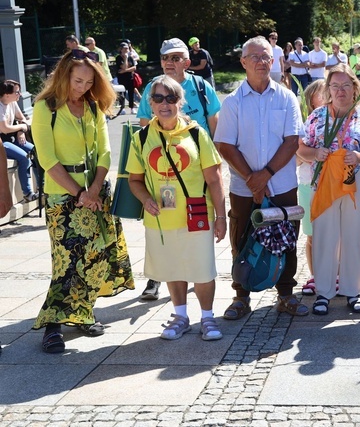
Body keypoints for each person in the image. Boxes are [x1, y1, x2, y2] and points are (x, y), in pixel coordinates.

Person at [31, 49, 135, 353]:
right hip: (63, 195)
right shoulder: (45, 107)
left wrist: (94, 190)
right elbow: (48, 160)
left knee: (96, 256)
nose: (83, 87)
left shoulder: (92, 108)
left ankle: (82, 313)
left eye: (89, 82)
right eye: (78, 80)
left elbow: (105, 152)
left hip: (97, 192)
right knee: (66, 261)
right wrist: (79, 194)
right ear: (64, 75)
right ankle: (52, 326)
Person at [214, 36, 309, 319]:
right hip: (243, 189)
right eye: (254, 57)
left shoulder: (287, 97)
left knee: (287, 238)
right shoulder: (232, 102)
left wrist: (264, 176)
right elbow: (225, 145)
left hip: (282, 185)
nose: (260, 62)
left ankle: (285, 294)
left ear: (274, 61)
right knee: (241, 238)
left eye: (265, 57)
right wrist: (252, 179)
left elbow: (292, 141)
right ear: (243, 62)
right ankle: (241, 296)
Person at [127, 75, 226, 340]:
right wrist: (145, 199)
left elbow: (214, 178)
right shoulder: (142, 137)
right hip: (161, 217)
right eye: (158, 98)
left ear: (180, 102)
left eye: (171, 98)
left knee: (202, 269)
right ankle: (180, 316)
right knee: (172, 268)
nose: (164, 104)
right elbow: (134, 180)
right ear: (150, 103)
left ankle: (208, 318)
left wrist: (221, 217)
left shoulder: (196, 133)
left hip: (196, 214)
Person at [298, 64, 360, 315]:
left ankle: (353, 290)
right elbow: (300, 147)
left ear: (356, 88)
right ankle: (324, 292)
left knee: (355, 236)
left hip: (356, 184)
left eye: (346, 85)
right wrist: (315, 153)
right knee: (324, 237)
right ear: (328, 89)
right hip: (324, 184)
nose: (340, 91)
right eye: (335, 86)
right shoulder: (317, 116)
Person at [297, 80, 327, 296]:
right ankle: (316, 275)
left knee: (335, 234)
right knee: (312, 235)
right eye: (322, 93)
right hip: (308, 183)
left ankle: (334, 274)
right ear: (310, 100)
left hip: (331, 185)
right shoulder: (304, 124)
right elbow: (298, 158)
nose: (327, 96)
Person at [0, 80, 39, 202]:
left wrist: (20, 131)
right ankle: (27, 193)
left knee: (36, 151)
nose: (20, 94)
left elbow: (22, 118)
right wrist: (22, 127)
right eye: (17, 92)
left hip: (12, 137)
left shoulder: (12, 102)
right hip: (2, 141)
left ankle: (42, 187)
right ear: (7, 94)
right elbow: (5, 128)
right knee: (24, 157)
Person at [115, 42, 137, 115]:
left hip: (130, 78)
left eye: (127, 48)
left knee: (131, 93)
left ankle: (132, 108)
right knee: (122, 93)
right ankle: (122, 108)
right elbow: (123, 66)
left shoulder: (130, 57)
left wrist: (125, 71)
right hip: (122, 79)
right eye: (125, 48)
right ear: (121, 49)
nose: (126, 50)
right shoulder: (118, 58)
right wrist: (125, 59)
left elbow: (134, 67)